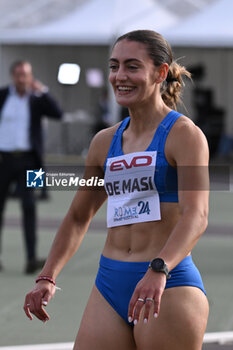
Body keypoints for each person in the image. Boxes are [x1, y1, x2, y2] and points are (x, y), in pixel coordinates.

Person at [24, 30, 209, 350]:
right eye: (114, 66)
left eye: (132, 66)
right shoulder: (104, 142)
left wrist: (159, 268)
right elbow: (78, 216)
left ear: (160, 73)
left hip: (168, 283)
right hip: (109, 284)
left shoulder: (184, 135)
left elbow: (197, 215)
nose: (120, 76)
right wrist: (47, 276)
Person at [0, 60, 63, 273]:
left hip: (31, 161)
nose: (21, 79)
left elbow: (58, 113)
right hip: (4, 159)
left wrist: (43, 90)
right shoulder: (3, 96)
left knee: (30, 207)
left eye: (25, 75)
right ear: (12, 76)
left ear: (30, 77)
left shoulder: (37, 99)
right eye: (18, 74)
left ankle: (31, 258)